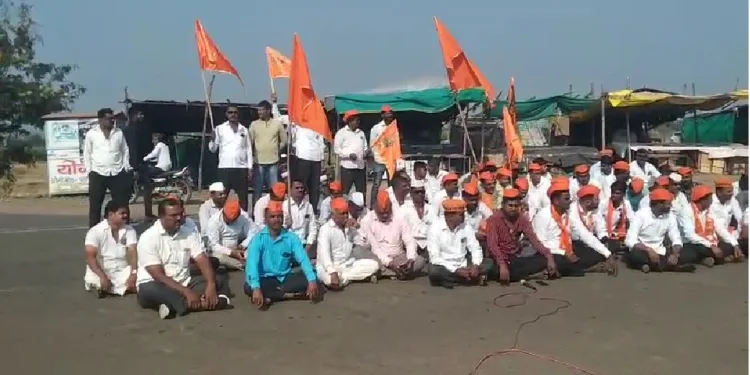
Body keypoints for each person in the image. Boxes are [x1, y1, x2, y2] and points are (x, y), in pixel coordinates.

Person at [136, 199, 232, 319]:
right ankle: (203, 303)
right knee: (150, 290)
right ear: (161, 217)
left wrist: (210, 285)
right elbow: (158, 276)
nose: (178, 218)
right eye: (173, 215)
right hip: (158, 284)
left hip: (184, 281)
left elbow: (202, 258)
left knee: (214, 279)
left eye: (180, 214)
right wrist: (186, 292)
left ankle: (173, 307)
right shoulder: (148, 238)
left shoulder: (188, 233)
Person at [244, 200, 321, 309]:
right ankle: (288, 295)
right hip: (265, 278)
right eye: (272, 217)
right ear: (266, 219)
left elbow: (303, 259)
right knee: (249, 286)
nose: (277, 220)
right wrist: (256, 287)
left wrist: (312, 280)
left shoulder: (291, 238)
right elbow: (252, 265)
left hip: (284, 278)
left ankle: (275, 296)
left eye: (279, 216)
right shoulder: (258, 239)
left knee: (314, 279)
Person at [532, 179, 617, 277]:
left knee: (596, 251)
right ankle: (587, 269)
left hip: (568, 249)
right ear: (556, 201)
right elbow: (541, 245)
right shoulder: (543, 216)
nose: (570, 201)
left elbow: (585, 235)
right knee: (562, 261)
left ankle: (574, 268)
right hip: (550, 253)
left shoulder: (568, 215)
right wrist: (564, 253)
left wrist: (607, 254)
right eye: (567, 199)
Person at [486, 188, 558, 283]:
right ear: (503, 205)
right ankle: (530, 276)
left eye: (516, 206)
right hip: (497, 258)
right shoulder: (494, 219)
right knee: (494, 269)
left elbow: (534, 240)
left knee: (548, 259)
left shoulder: (522, 219)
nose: (513, 208)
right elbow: (492, 245)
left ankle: (523, 275)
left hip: (515, 258)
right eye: (510, 205)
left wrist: (548, 255)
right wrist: (502, 264)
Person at [271, 94, 324, 214]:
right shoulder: (296, 120)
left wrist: (322, 159)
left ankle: (312, 213)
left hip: (316, 160)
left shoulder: (319, 123)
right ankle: (295, 212)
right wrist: (274, 104)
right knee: (299, 188)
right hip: (301, 159)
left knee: (314, 190)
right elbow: (278, 119)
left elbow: (321, 143)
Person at [624, 189, 696, 273]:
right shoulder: (640, 215)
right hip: (644, 251)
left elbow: (676, 238)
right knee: (634, 255)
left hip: (661, 251)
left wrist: (675, 255)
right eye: (668, 204)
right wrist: (648, 250)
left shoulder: (670, 216)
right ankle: (669, 267)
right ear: (658, 204)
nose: (671, 206)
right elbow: (629, 240)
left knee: (688, 253)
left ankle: (649, 266)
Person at [83, 108, 133, 227]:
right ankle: (94, 231)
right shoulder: (92, 134)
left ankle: (124, 227)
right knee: (95, 205)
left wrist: (125, 166)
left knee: (122, 203)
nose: (112, 120)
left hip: (117, 172)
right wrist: (89, 171)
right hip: (97, 172)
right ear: (100, 120)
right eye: (108, 118)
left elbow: (125, 150)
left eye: (112, 118)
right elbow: (87, 153)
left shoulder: (118, 133)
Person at [427, 199, 493, 288]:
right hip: (445, 265)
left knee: (489, 263)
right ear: (450, 216)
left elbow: (475, 247)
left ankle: (452, 280)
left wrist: (475, 265)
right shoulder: (435, 228)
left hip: (464, 262)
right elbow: (435, 257)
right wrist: (456, 270)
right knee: (434, 271)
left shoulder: (466, 226)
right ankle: (466, 279)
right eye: (461, 214)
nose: (464, 216)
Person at [316, 198, 380, 289]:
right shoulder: (325, 230)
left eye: (346, 213)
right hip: (329, 267)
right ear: (333, 215)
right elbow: (324, 255)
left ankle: (344, 279)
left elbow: (363, 244)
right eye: (342, 214)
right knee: (329, 279)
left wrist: (357, 228)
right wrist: (332, 272)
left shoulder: (349, 227)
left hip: (347, 265)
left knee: (374, 265)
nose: (346, 216)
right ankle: (347, 278)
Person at [361, 190, 425, 280]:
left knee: (420, 261)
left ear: (391, 207)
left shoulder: (399, 217)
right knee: (365, 257)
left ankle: (386, 273)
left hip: (399, 257)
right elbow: (375, 248)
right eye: (381, 213)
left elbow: (409, 240)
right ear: (375, 208)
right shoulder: (367, 220)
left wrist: (410, 259)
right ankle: (395, 272)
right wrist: (390, 263)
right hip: (378, 258)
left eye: (387, 212)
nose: (385, 215)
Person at [84, 200, 138, 297]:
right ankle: (111, 287)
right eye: (122, 213)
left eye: (126, 213)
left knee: (144, 274)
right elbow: (90, 258)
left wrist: (133, 273)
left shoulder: (130, 230)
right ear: (111, 214)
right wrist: (102, 277)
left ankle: (113, 288)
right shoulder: (95, 231)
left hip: (121, 271)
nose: (126, 216)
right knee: (96, 281)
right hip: (102, 270)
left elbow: (133, 252)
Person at [680, 185, 743, 266]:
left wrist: (735, 245)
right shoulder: (686, 210)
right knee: (694, 252)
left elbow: (720, 228)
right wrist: (711, 246)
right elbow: (690, 235)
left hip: (710, 243)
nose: (711, 201)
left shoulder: (709, 211)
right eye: (710, 199)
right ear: (702, 200)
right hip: (693, 244)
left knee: (729, 246)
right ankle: (717, 259)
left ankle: (710, 259)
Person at [209, 105, 253, 212]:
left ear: (238, 114)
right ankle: (220, 218)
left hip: (241, 168)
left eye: (235, 112)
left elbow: (248, 150)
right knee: (222, 197)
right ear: (226, 114)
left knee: (243, 199)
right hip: (225, 168)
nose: (232, 114)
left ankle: (244, 219)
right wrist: (212, 139)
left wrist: (250, 168)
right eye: (230, 112)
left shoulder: (244, 130)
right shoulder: (219, 129)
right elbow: (213, 149)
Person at [249, 100, 287, 206]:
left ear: (268, 110)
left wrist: (276, 150)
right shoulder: (254, 124)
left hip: (273, 162)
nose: (259, 112)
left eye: (261, 110)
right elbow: (249, 143)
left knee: (275, 191)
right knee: (257, 191)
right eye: (258, 110)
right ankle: (255, 216)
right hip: (258, 162)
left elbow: (284, 140)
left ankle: (275, 210)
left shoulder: (277, 124)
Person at [206, 199, 260, 270]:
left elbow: (253, 233)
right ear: (223, 213)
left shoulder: (244, 216)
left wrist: (243, 245)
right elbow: (214, 245)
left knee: (256, 247)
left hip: (239, 247)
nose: (230, 223)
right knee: (218, 258)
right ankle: (241, 265)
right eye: (228, 220)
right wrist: (231, 252)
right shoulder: (214, 221)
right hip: (222, 251)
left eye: (233, 220)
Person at [398, 179, 436, 259]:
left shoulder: (431, 209)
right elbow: (400, 231)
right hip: (410, 245)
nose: (420, 194)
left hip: (429, 245)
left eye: (422, 192)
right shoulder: (403, 210)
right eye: (417, 192)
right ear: (411, 193)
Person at [333, 110, 368, 195]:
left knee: (361, 191)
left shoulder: (361, 133)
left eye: (359, 120)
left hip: (360, 167)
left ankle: (361, 207)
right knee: (345, 192)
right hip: (347, 168)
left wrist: (366, 152)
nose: (358, 122)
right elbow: (337, 149)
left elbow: (365, 147)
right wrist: (349, 155)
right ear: (350, 121)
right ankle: (344, 207)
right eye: (357, 120)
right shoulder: (341, 133)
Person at [595, 181, 634, 256]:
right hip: (606, 235)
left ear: (623, 194)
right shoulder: (604, 204)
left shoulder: (626, 204)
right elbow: (599, 223)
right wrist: (604, 236)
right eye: (613, 192)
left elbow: (632, 221)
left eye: (617, 193)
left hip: (620, 235)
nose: (613, 195)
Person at [283, 180, 318, 259]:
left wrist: (308, 247)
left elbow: (313, 228)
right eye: (297, 188)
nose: (300, 190)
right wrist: (286, 226)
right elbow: (278, 232)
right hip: (288, 244)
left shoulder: (308, 206)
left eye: (301, 188)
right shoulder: (284, 206)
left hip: (304, 244)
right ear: (290, 190)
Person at [369, 105, 397, 207]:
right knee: (377, 184)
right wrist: (378, 157)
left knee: (392, 184)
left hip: (391, 160)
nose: (389, 115)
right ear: (382, 115)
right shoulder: (376, 128)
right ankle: (372, 206)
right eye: (387, 113)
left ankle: (392, 204)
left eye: (390, 113)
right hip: (379, 160)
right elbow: (372, 145)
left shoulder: (394, 127)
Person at [141, 133, 173, 219]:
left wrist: (145, 158)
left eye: (154, 139)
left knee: (145, 173)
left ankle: (150, 184)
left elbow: (153, 154)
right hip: (166, 165)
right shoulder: (164, 146)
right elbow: (156, 157)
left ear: (157, 139)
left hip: (162, 166)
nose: (152, 141)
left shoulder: (159, 145)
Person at [710, 177, 744, 242]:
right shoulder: (711, 203)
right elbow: (718, 228)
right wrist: (733, 242)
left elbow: (739, 217)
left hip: (730, 235)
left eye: (732, 191)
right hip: (716, 237)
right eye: (729, 191)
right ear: (719, 192)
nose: (732, 193)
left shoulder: (732, 200)